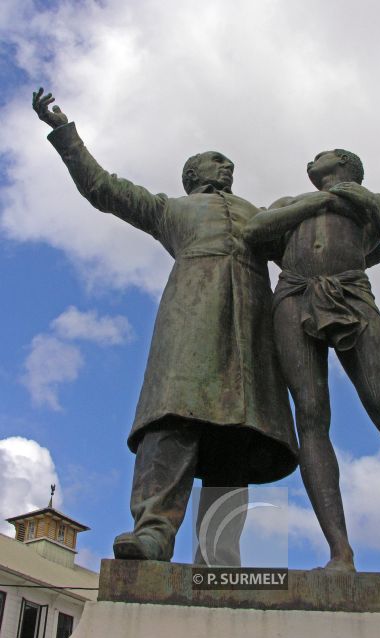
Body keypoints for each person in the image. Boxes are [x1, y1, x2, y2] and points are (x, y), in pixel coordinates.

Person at [32, 88, 297, 564]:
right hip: (191, 319)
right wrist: (64, 134)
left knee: (235, 437)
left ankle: (219, 552)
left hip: (252, 330)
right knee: (172, 419)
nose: (227, 168)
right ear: (193, 174)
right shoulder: (172, 209)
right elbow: (104, 188)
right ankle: (153, 532)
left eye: (229, 164)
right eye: (217, 162)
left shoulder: (259, 214)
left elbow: (303, 250)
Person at [243, 149, 380, 574]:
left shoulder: (376, 201)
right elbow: (255, 231)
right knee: (310, 413)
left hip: (352, 293)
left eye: (319, 155)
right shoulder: (291, 204)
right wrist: (322, 200)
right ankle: (340, 553)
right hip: (293, 296)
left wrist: (375, 206)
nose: (309, 159)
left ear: (343, 160)